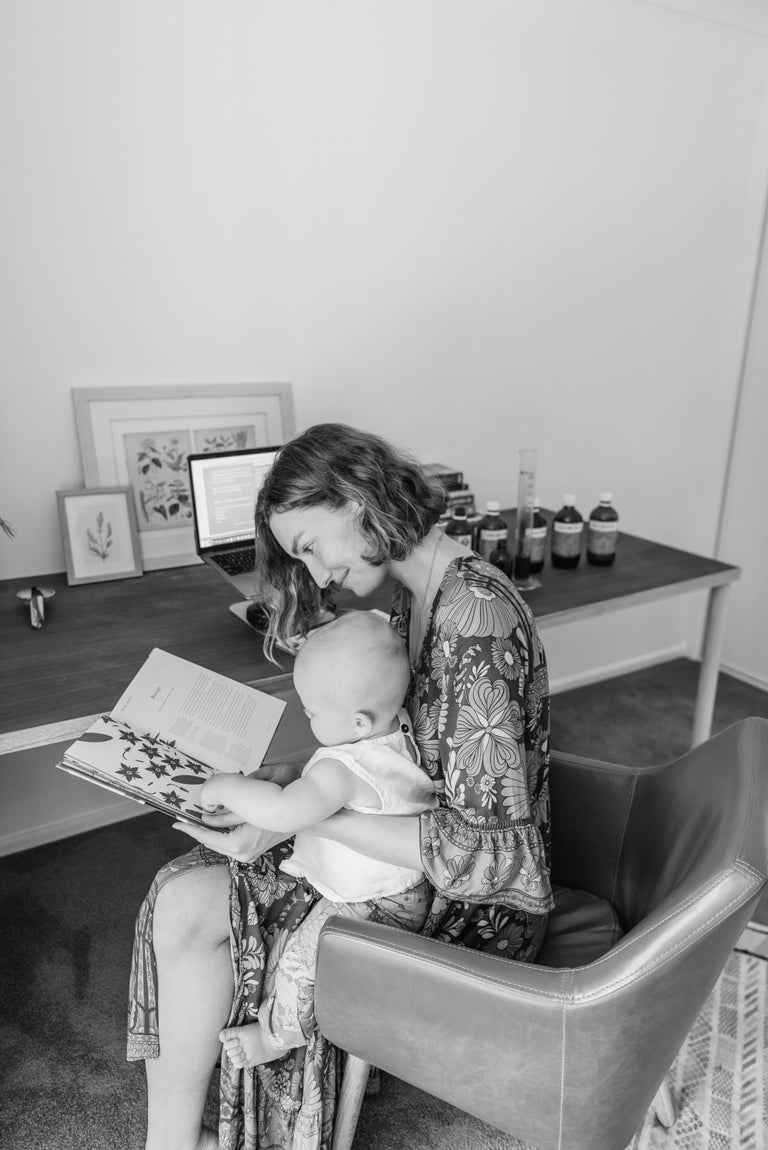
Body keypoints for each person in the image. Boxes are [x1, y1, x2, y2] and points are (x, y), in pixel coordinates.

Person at [128, 422, 553, 1150]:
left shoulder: (474, 619)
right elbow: (389, 758)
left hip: (471, 911)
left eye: (310, 546)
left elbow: (493, 859)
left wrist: (302, 817)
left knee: (198, 905)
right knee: (182, 897)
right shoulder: (413, 600)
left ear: (358, 504)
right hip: (394, 862)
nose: (318, 573)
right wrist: (295, 784)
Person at [199, 610, 436, 1070]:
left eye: (311, 711)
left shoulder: (341, 771)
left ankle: (275, 1037)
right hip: (406, 887)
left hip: (370, 904)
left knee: (301, 965)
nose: (306, 717)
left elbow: (284, 810)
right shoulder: (398, 729)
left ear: (360, 723)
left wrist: (225, 787)